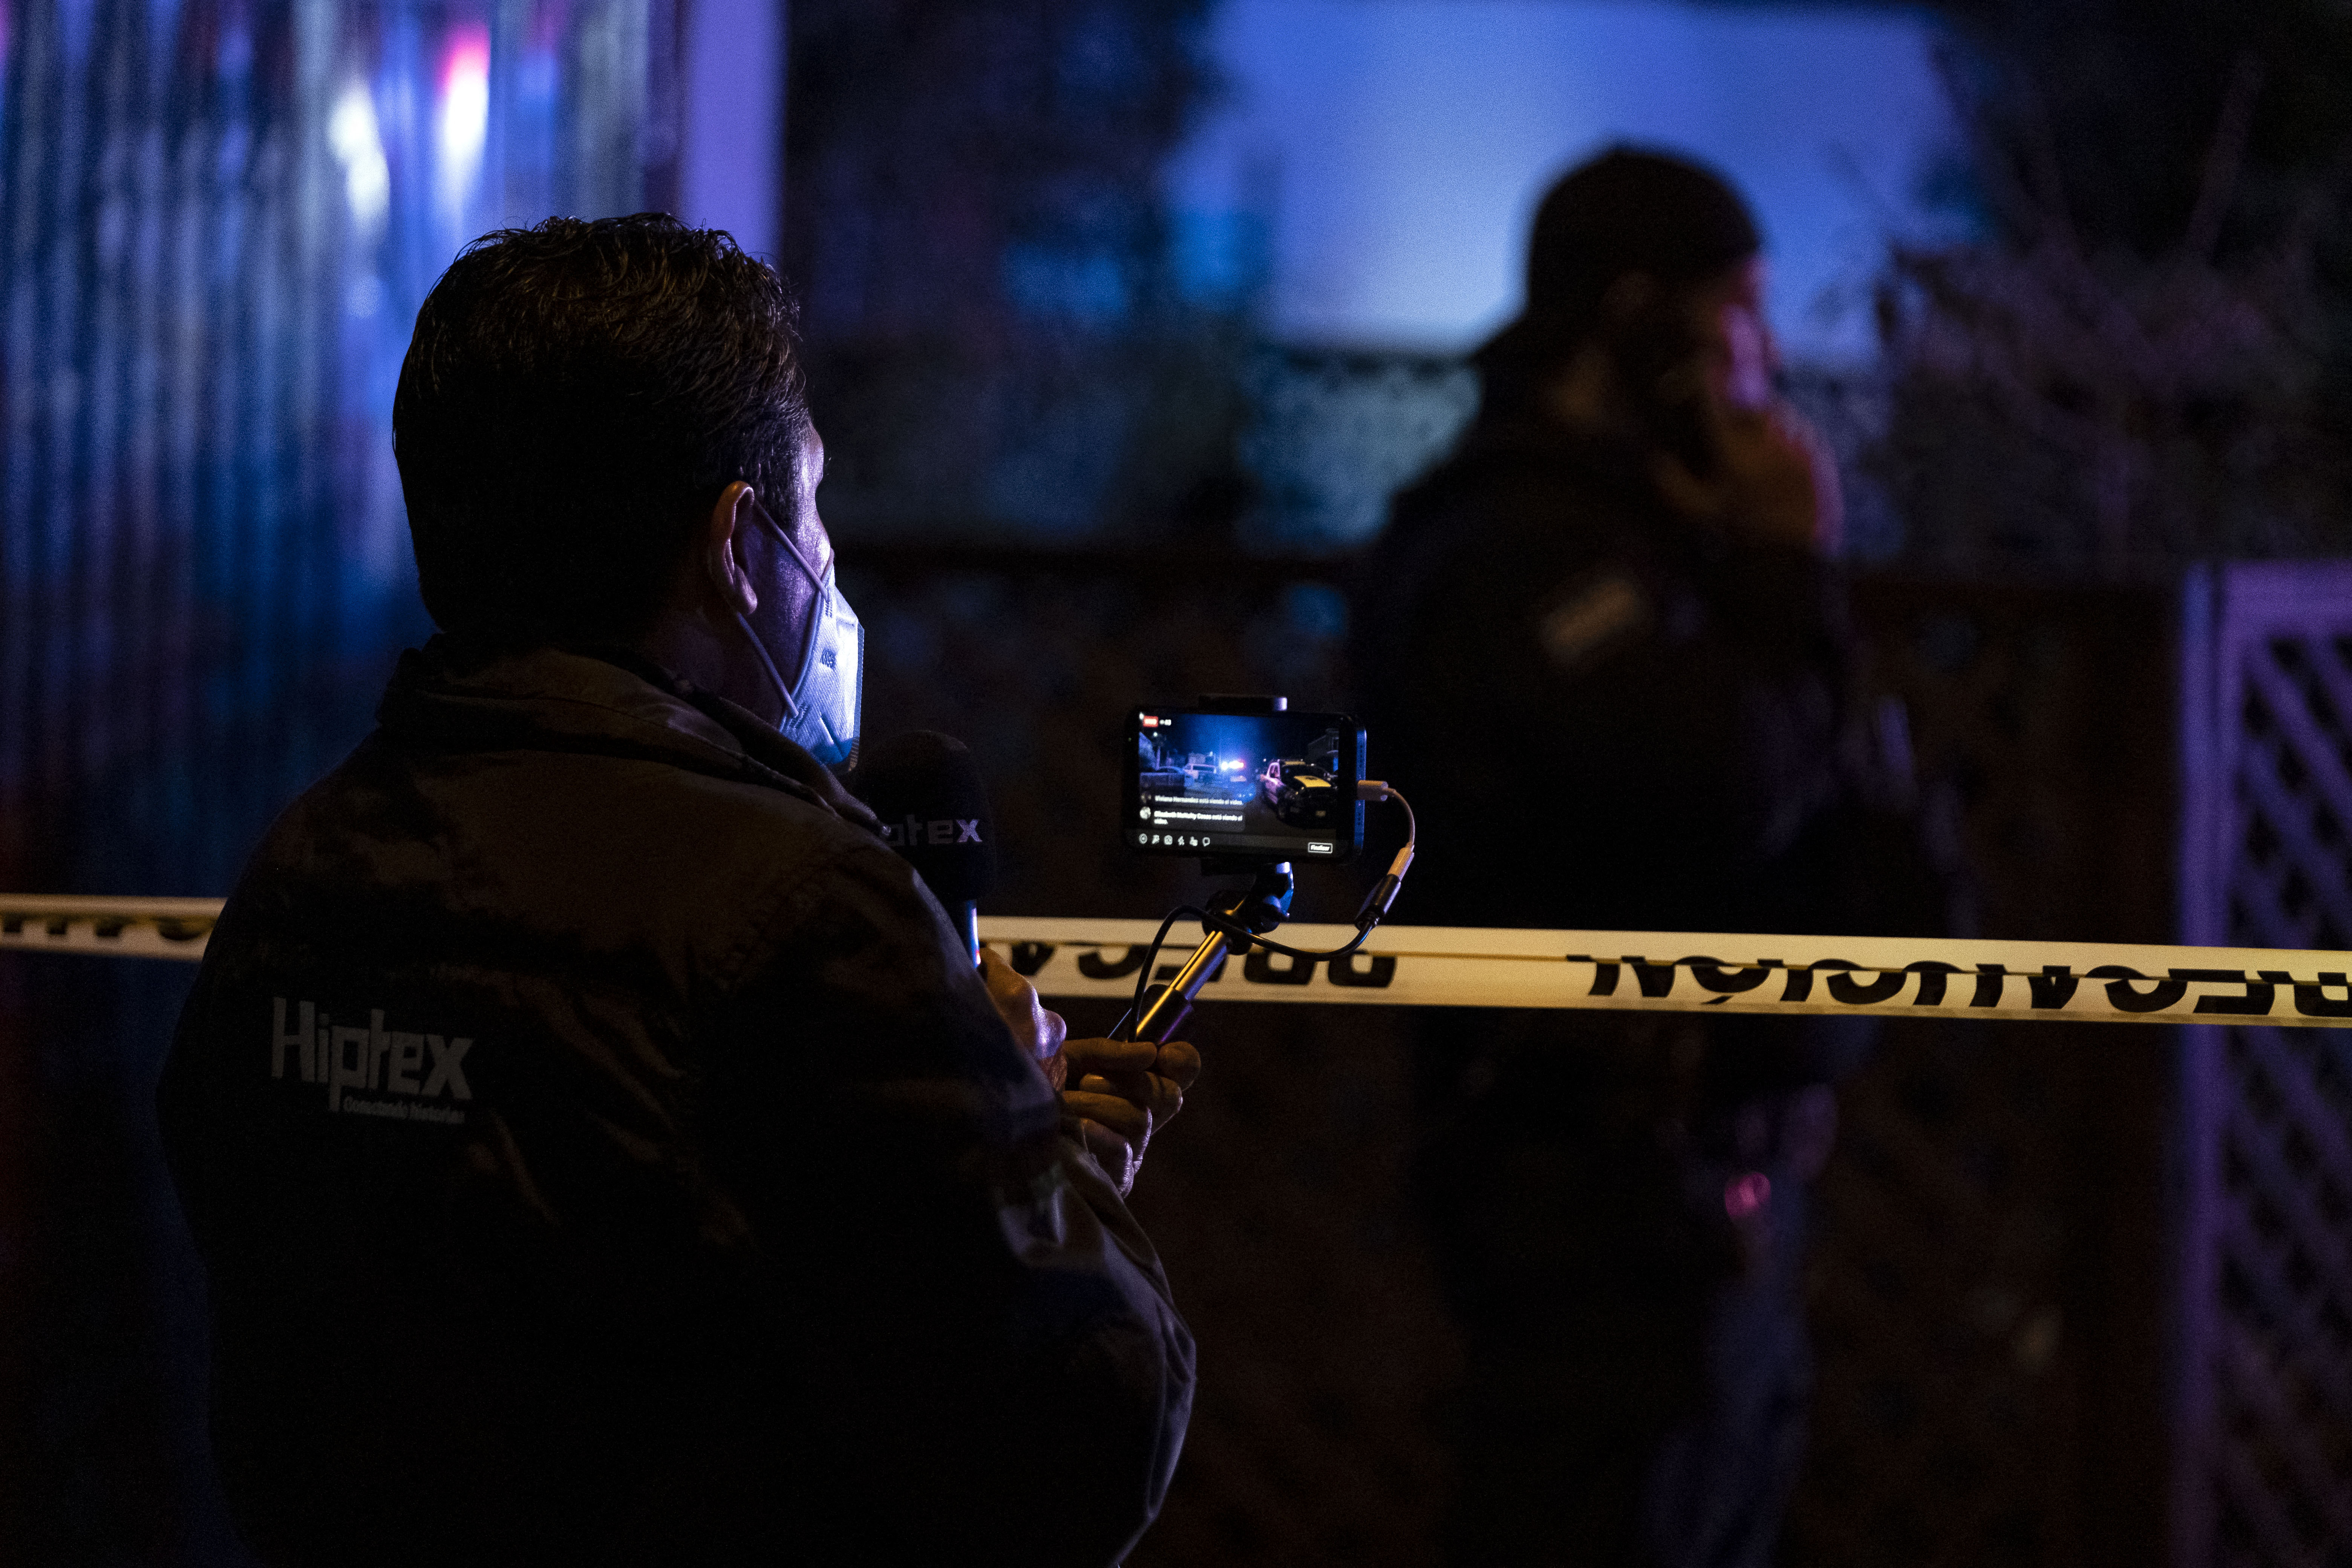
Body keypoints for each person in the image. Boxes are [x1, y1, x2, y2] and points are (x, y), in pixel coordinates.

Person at [157, 215, 1199, 1568]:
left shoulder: (306, 868)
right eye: (813, 504)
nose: (827, 561)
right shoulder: (811, 913)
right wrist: (1035, 1164)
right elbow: (1080, 1441)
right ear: (738, 545)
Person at [1355, 149, 1943, 1567]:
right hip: (1586, 1198)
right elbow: (1721, 781)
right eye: (1739, 309)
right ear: (1640, 324)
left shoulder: (1667, 534)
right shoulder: (1514, 548)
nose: (1768, 358)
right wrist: (1790, 564)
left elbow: (1828, 794)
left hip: (1714, 1200)